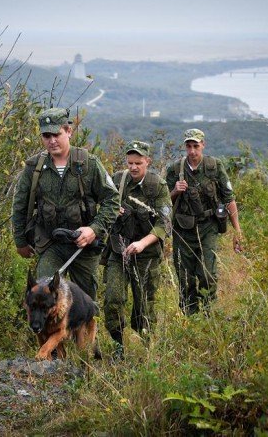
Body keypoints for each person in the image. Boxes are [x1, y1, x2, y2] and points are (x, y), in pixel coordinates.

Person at [11, 107, 119, 300]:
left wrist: (94, 229)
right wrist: (20, 241)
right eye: (46, 136)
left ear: (68, 132)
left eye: (56, 134)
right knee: (43, 296)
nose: (51, 141)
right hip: (50, 243)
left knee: (85, 304)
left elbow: (112, 200)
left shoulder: (89, 164)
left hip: (83, 247)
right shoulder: (34, 167)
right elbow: (19, 205)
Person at [103, 141, 171, 358]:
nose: (133, 167)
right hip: (119, 250)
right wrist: (114, 210)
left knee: (144, 306)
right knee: (113, 300)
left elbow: (165, 223)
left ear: (147, 162)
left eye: (138, 163)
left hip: (146, 255)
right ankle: (118, 347)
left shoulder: (157, 186)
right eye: (130, 162)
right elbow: (103, 205)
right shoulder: (117, 181)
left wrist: (143, 243)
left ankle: (146, 350)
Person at [165, 128, 242, 315]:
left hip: (208, 226)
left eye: (196, 146)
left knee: (208, 274)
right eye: (189, 146)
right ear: (185, 146)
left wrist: (237, 231)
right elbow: (163, 203)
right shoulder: (175, 169)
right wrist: (175, 191)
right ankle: (189, 318)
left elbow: (229, 198)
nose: (192, 151)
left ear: (203, 145)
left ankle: (208, 315)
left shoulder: (214, 167)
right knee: (185, 277)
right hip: (183, 229)